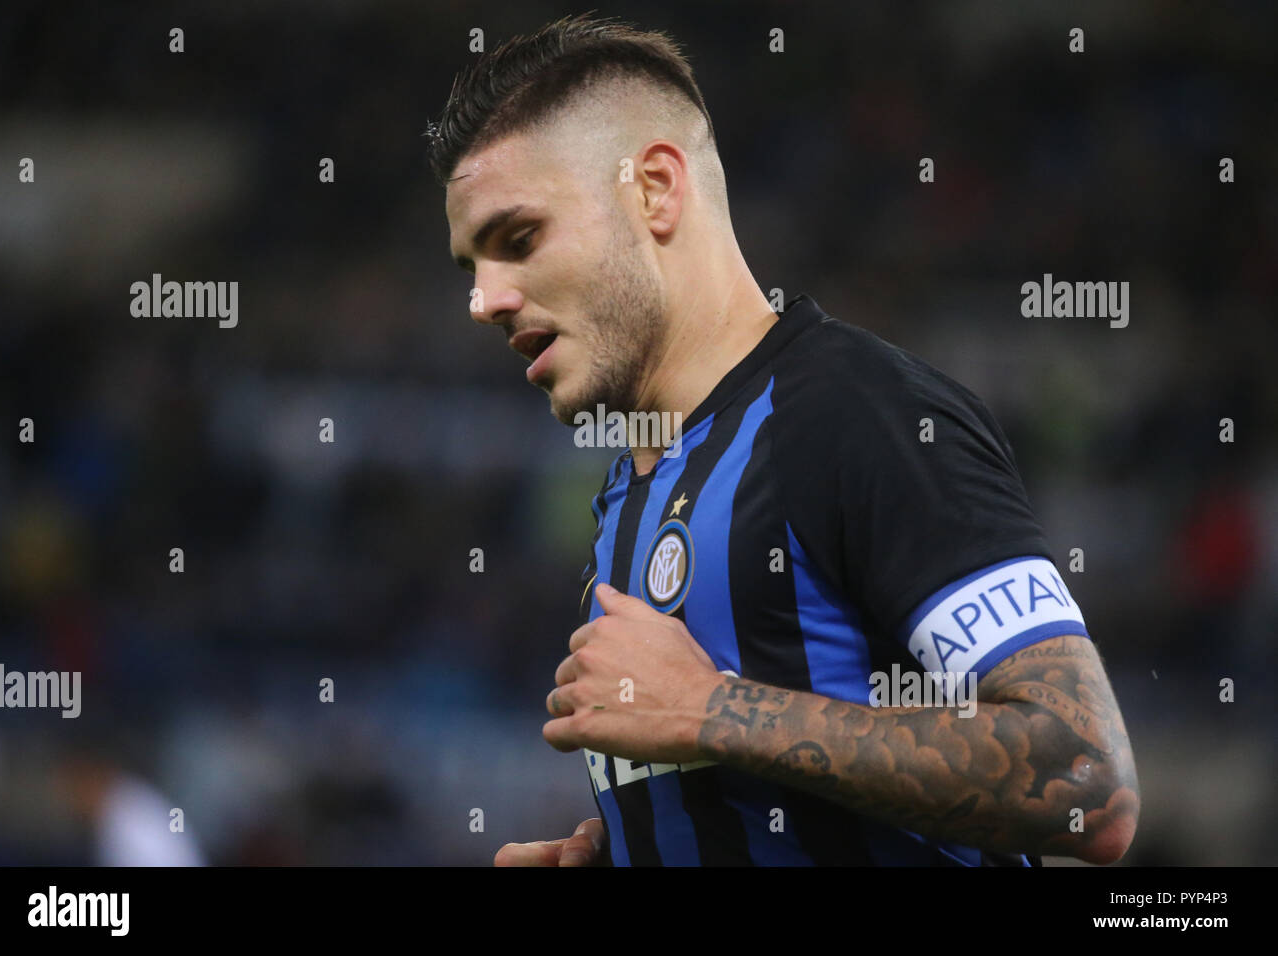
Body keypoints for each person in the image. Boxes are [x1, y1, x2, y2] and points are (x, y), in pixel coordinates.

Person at [428, 13, 1139, 866]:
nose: (487, 300)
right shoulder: (633, 491)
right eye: (473, 267)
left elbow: (1087, 782)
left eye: (520, 240)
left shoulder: (853, 414)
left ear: (653, 189)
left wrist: (712, 709)